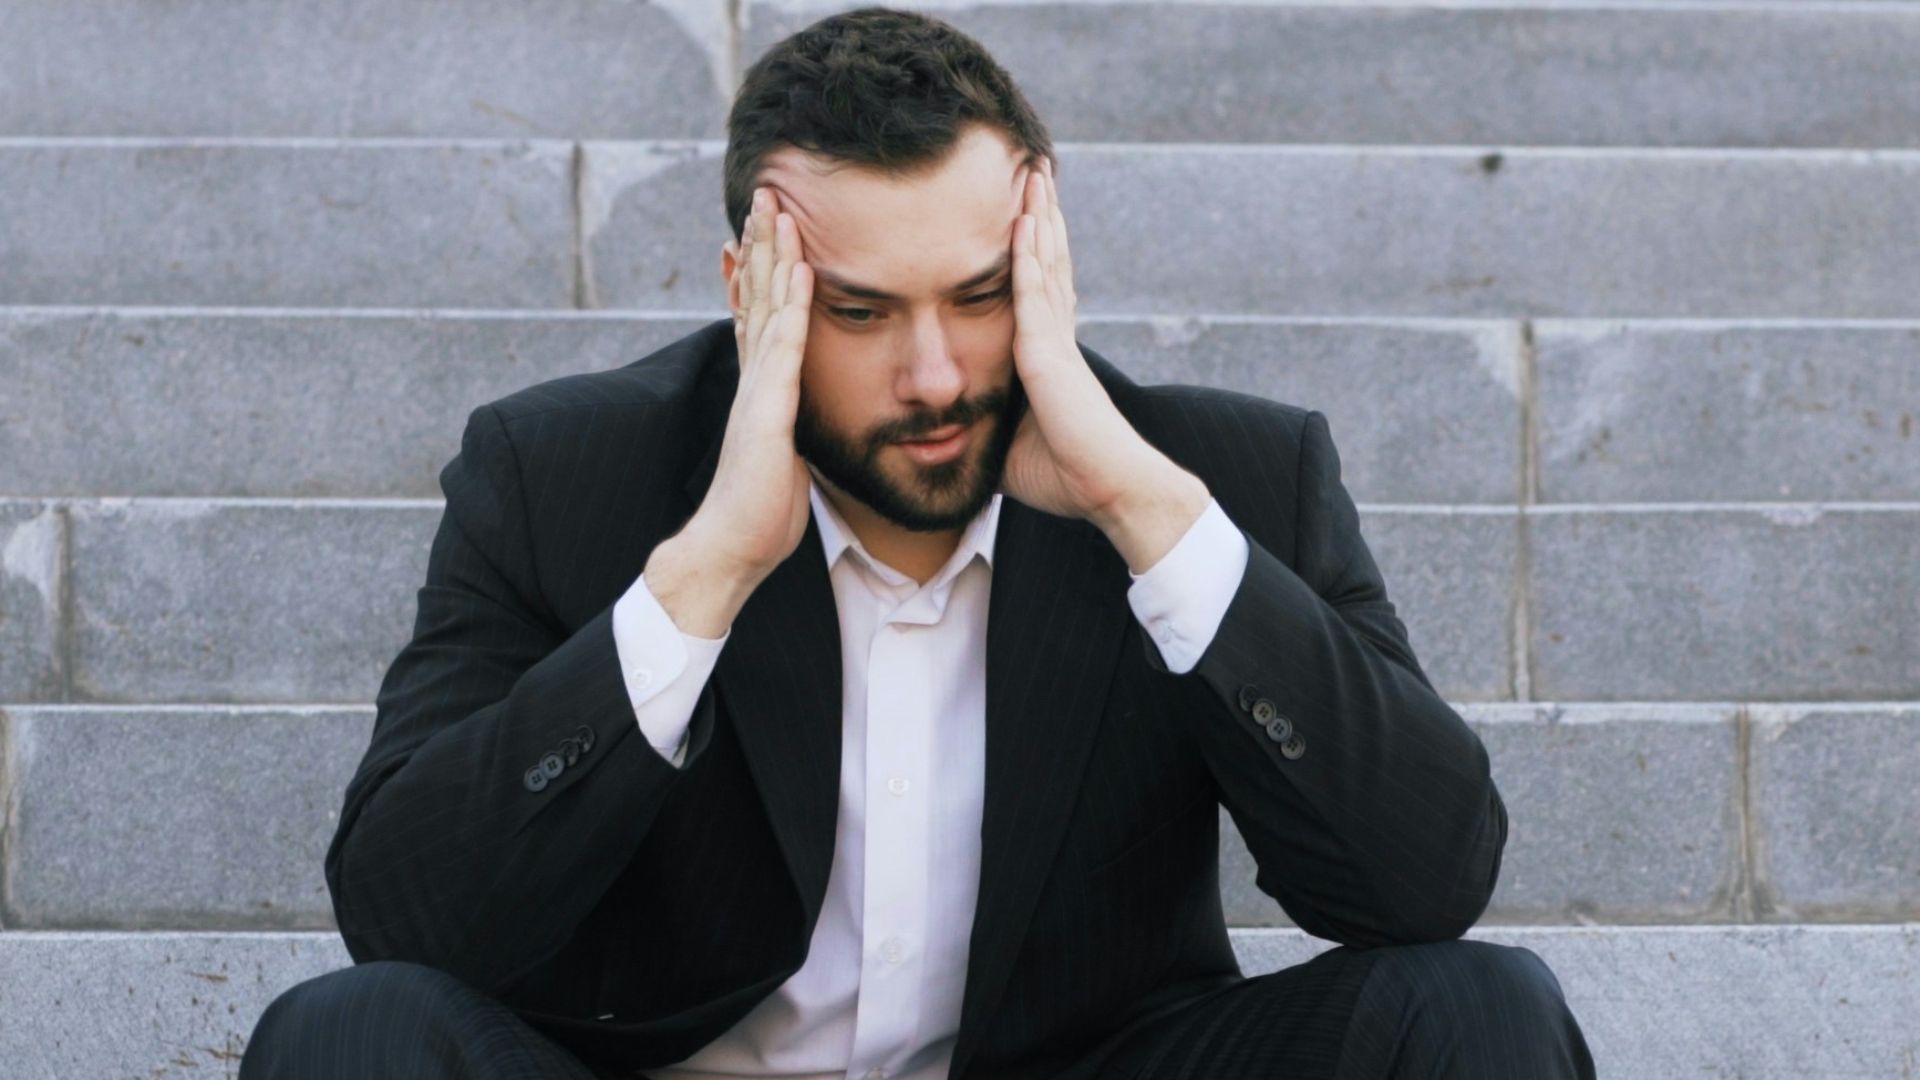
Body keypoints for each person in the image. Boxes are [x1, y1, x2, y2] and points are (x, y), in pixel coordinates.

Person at [240, 7, 1595, 1078]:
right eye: (863, 313)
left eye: (982, 296)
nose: (939, 376)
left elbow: (1425, 882)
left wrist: (1148, 520)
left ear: (1045, 257)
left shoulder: (1223, 481)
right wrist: (700, 581)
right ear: (753, 292)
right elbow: (407, 922)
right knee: (344, 1037)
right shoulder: (563, 477)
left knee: (1474, 1014)